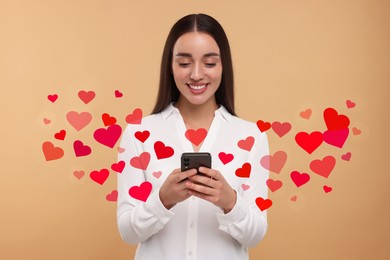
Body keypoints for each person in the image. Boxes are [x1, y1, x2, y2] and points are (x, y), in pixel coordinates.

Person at [117, 13, 269, 260]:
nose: (196, 75)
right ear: (170, 65)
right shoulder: (138, 134)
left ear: (223, 66)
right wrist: (163, 200)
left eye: (209, 63)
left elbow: (256, 234)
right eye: (184, 63)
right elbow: (127, 232)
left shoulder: (252, 136)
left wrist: (230, 202)